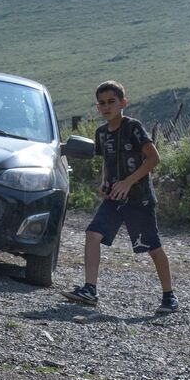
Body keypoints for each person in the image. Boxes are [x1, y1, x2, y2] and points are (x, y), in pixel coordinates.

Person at [61, 81, 179, 315]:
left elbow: (154, 159)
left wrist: (128, 182)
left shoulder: (133, 127)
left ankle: (169, 297)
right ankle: (90, 289)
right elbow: (107, 161)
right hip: (114, 198)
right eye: (102, 103)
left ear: (123, 103)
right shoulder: (102, 133)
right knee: (93, 233)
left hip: (139, 199)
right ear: (98, 107)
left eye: (111, 102)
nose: (107, 107)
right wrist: (103, 183)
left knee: (153, 247)